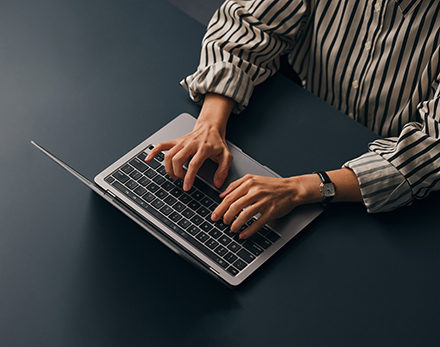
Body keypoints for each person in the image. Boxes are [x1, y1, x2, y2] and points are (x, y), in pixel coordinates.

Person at [145, 0, 440, 239]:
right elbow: (248, 23)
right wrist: (209, 124)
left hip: (387, 200)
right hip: (306, 123)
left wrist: (299, 189)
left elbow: (430, 150)